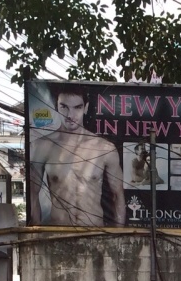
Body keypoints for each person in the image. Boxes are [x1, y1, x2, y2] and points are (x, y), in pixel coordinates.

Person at [28, 86, 126, 227]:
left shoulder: (105, 148)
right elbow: (33, 194)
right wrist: (36, 234)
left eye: (77, 108)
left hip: (95, 235)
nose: (70, 115)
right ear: (56, 107)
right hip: (58, 235)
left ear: (85, 108)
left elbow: (118, 195)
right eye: (64, 107)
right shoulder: (42, 146)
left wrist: (119, 238)